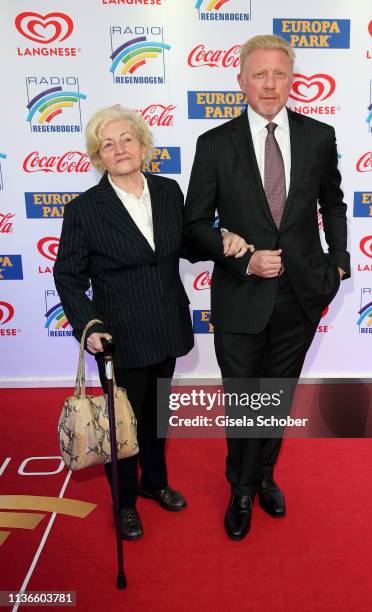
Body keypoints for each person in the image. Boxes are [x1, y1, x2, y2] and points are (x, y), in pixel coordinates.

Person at [184, 35, 350, 540]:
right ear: (241, 82)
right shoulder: (214, 144)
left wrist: (337, 264)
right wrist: (244, 259)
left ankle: (265, 478)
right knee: (244, 399)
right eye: (260, 74)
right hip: (240, 295)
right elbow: (194, 227)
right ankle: (241, 488)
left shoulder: (320, 136)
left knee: (277, 397)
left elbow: (333, 205)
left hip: (301, 294)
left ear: (291, 79)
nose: (270, 84)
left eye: (280, 73)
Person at [54, 105, 195, 541]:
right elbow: (68, 276)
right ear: (99, 156)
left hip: (168, 324)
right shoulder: (85, 209)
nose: (120, 149)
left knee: (156, 415)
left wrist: (224, 238)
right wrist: (89, 324)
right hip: (120, 336)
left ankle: (155, 482)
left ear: (143, 144)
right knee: (122, 425)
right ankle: (125, 503)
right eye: (108, 144)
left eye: (126, 139)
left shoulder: (169, 190)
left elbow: (184, 244)